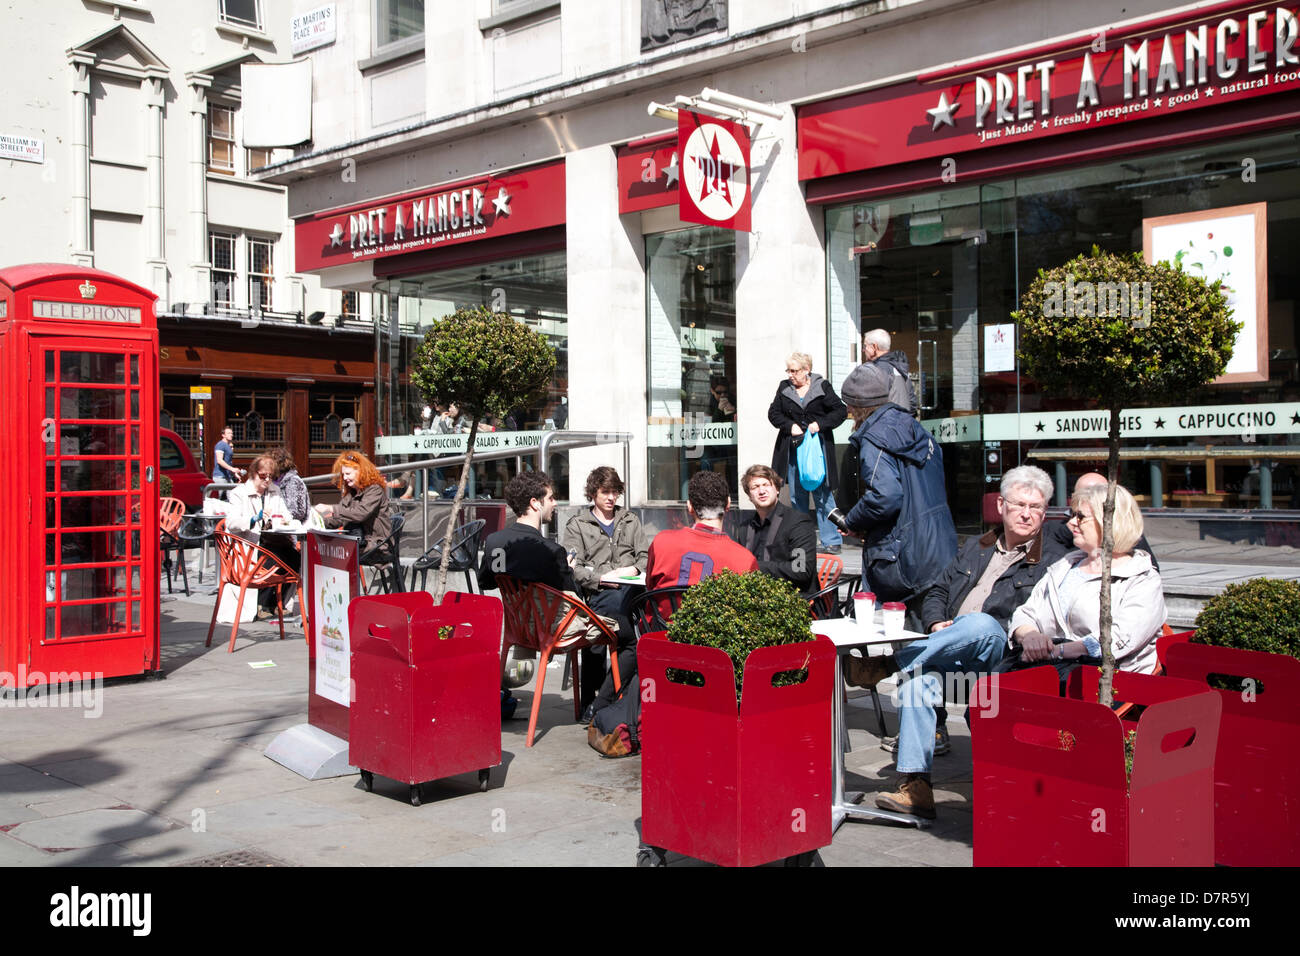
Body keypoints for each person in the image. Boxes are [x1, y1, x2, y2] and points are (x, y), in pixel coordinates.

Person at [844, 465, 1068, 819]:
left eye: (1036, 507)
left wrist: (964, 627)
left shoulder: (1051, 559)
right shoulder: (977, 547)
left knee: (981, 624)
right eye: (1020, 504)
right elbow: (938, 590)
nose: (1027, 513)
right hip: (956, 657)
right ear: (1002, 505)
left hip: (1002, 658)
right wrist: (935, 622)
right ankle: (916, 787)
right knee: (918, 682)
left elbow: (1035, 618)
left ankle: (885, 665)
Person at [1005, 482, 1165, 678]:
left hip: (1109, 682)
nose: (1071, 523)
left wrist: (1057, 652)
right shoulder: (1065, 566)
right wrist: (1029, 636)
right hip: (1048, 671)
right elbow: (1027, 612)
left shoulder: (1142, 578)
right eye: (1072, 515)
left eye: (1080, 517)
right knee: (989, 696)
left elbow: (1118, 640)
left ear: (1109, 522)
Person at [832, 362, 955, 609]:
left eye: (848, 404)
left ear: (856, 406)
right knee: (931, 629)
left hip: (905, 555)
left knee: (908, 634)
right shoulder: (914, 427)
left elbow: (885, 496)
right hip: (939, 544)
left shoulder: (875, 438)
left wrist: (853, 520)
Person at [563, 467, 648, 719]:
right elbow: (573, 568)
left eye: (615, 492)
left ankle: (597, 703)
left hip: (632, 588)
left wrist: (633, 568)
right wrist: (600, 578)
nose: (611, 498)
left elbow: (645, 556)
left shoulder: (630, 520)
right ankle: (599, 702)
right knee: (617, 636)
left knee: (613, 627)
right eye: (605, 492)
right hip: (598, 591)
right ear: (593, 494)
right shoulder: (578, 525)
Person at [768, 351, 848, 553]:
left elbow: (840, 411)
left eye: (794, 371)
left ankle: (832, 541)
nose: (790, 375)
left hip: (817, 449)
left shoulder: (822, 386)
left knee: (824, 494)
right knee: (797, 496)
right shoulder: (784, 387)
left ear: (807, 370)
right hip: (794, 449)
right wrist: (789, 426)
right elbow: (773, 413)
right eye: (788, 370)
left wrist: (820, 424)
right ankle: (802, 540)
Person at [645, 470, 757, 594]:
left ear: (689, 507)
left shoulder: (661, 542)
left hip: (664, 614)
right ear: (728, 505)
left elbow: (650, 585)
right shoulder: (745, 560)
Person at [478, 471, 576, 594]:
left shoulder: (494, 541)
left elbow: (485, 582)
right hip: (545, 613)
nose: (555, 503)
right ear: (535, 503)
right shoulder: (552, 551)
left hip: (513, 612)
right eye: (550, 498)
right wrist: (569, 570)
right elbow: (571, 594)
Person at [225, 454, 298, 618]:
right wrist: (253, 519)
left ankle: (278, 602)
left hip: (273, 539)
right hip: (249, 543)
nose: (267, 480)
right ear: (253, 473)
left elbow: (286, 515)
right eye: (263, 476)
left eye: (271, 477)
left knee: (295, 559)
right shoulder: (239, 493)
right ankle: (263, 604)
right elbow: (231, 522)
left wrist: (284, 521)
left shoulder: (275, 491)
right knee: (272, 557)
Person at [732, 464, 816, 594]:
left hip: (793, 598)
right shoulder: (744, 528)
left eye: (766, 485)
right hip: (753, 598)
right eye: (755, 487)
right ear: (749, 496)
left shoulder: (798, 522)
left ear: (777, 489)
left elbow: (801, 569)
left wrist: (755, 566)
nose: (761, 491)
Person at [1049, 472, 1158, 568]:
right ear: (1073, 497)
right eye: (1085, 493)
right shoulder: (1053, 531)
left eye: (1101, 492)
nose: (1091, 497)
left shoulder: (1125, 534)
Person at [313, 451, 392, 554]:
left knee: (333, 552)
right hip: (358, 540)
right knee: (323, 547)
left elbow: (360, 513)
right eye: (343, 475)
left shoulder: (375, 490)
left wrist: (332, 508)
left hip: (377, 544)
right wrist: (317, 522)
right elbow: (340, 518)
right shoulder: (352, 493)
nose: (345, 478)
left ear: (360, 471)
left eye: (348, 474)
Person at [862, 328, 918, 416]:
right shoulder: (899, 368)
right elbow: (912, 403)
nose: (863, 350)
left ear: (874, 347)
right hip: (902, 425)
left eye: (865, 346)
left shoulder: (875, 370)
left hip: (883, 426)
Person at [268, 447, 310, 523]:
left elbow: (297, 511)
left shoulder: (292, 481)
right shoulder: (272, 481)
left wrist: (281, 516)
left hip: (293, 528)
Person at [212, 426, 244, 496]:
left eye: (232, 433)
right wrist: (232, 469)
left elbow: (228, 461)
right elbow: (219, 460)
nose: (231, 435)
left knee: (233, 497)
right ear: (223, 435)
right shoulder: (220, 445)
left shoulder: (228, 445)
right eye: (229, 433)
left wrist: (234, 473)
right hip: (220, 476)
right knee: (217, 498)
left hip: (228, 476)